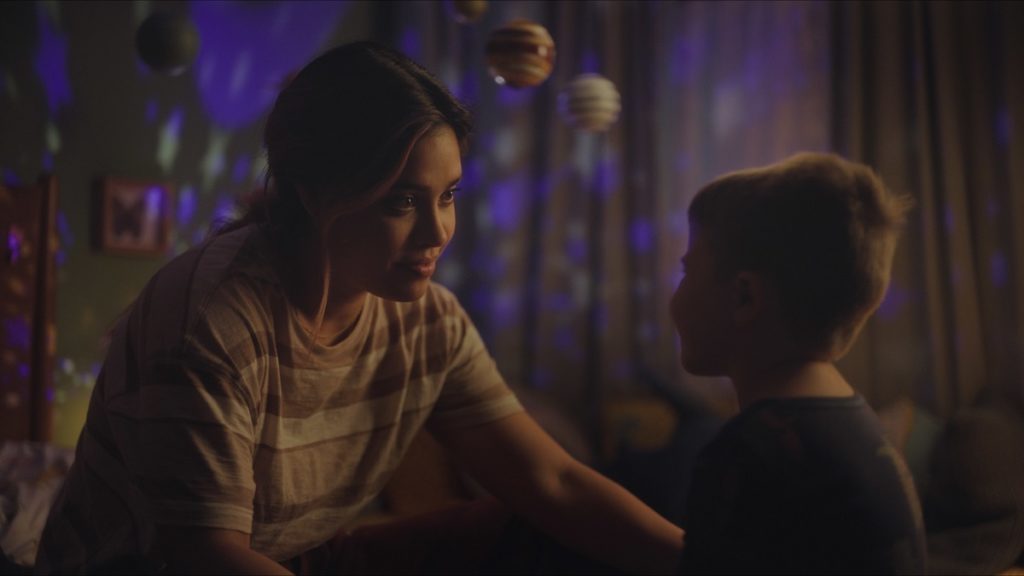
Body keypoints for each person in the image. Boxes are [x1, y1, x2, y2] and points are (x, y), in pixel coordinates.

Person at [35, 41, 682, 575]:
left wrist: (704, 561)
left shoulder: (428, 319)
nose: (438, 232)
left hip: (302, 558)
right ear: (315, 193)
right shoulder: (213, 324)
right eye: (401, 201)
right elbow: (206, 556)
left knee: (539, 528)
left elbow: (554, 484)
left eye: (448, 194)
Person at [669, 152, 927, 574]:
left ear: (743, 297)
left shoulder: (747, 456)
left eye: (686, 270)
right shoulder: (855, 424)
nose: (675, 296)